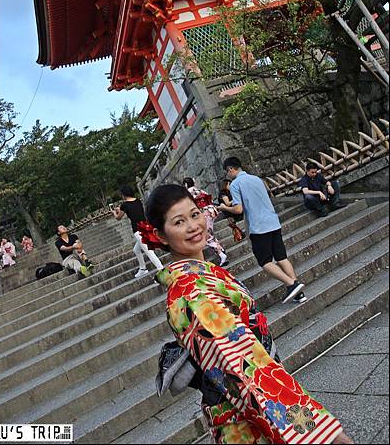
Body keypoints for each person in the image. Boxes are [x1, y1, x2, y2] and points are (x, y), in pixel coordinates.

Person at [143, 183, 353, 445]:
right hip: (247, 413)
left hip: (247, 405)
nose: (193, 226)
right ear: (160, 235)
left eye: (195, 214)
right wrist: (314, 429)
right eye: (179, 222)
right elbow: (242, 366)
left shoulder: (201, 273)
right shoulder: (191, 289)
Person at [219, 157, 306, 304]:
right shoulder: (256, 179)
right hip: (273, 222)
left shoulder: (235, 184)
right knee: (281, 258)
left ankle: (292, 285)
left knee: (265, 262)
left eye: (228, 172)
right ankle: (299, 293)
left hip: (259, 228)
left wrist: (224, 207)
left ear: (230, 169)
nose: (228, 175)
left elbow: (238, 209)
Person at [112, 185, 163, 278]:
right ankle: (143, 269)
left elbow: (119, 218)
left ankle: (162, 270)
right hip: (145, 227)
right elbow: (132, 209)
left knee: (149, 252)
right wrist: (121, 209)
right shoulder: (138, 201)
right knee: (136, 250)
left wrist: (114, 213)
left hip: (137, 230)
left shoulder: (124, 205)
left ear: (123, 195)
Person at [182, 177, 228, 266]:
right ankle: (221, 250)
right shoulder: (199, 190)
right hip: (211, 211)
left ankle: (221, 253)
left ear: (186, 185)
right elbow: (208, 198)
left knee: (205, 235)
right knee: (208, 233)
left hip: (204, 214)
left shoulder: (188, 194)